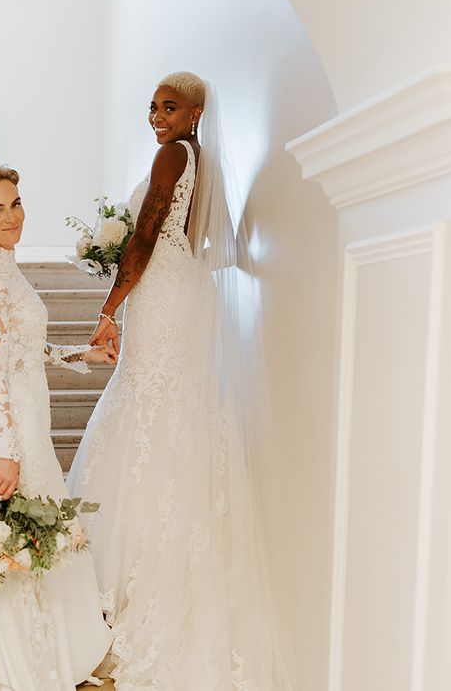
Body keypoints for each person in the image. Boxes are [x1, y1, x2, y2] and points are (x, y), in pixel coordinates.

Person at [67, 72, 293, 689]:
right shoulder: (206, 160)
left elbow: (145, 232)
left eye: (170, 107)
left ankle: (133, 584)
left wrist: (109, 306)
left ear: (195, 113)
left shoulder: (174, 155)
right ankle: (167, 565)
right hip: (186, 290)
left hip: (164, 291)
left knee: (147, 402)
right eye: (152, 107)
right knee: (173, 408)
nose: (157, 116)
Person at [0, 161, 114, 690]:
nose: (10, 217)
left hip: (28, 432)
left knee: (38, 557)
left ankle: (46, 661)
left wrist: (83, 355)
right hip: (7, 437)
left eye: (15, 204)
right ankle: (18, 674)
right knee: (13, 561)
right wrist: (8, 451)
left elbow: (26, 352)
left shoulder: (8, 272)